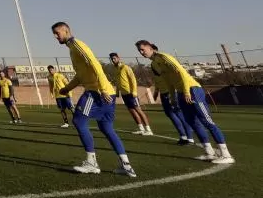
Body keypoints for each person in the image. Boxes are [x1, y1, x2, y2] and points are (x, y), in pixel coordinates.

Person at [52, 22, 136, 177]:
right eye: (54, 34)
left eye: (57, 33)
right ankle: (126, 165)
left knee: (78, 121)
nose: (56, 36)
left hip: (96, 92)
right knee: (106, 128)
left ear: (66, 30)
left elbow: (95, 65)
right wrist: (67, 88)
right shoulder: (72, 49)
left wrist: (103, 88)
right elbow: (81, 74)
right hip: (106, 93)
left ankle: (92, 163)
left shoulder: (76, 45)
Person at [135, 40, 234, 164]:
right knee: (192, 122)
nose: (141, 52)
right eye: (139, 51)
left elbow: (181, 72)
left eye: (143, 49)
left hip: (192, 90)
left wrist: (187, 92)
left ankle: (226, 154)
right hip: (180, 93)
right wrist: (173, 97)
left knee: (207, 121)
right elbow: (168, 81)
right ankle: (209, 152)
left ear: (150, 48)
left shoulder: (164, 57)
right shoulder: (154, 64)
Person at [109, 53, 152, 136]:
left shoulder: (125, 67)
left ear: (118, 58)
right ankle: (141, 129)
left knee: (139, 110)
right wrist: (118, 92)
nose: (113, 60)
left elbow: (133, 80)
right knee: (132, 111)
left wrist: (134, 92)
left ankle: (148, 129)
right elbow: (118, 82)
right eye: (112, 59)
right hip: (124, 94)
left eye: (114, 58)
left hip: (131, 93)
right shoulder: (115, 69)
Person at [151, 65, 196, 145]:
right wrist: (156, 92)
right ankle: (183, 136)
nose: (153, 69)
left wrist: (174, 95)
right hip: (163, 94)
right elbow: (157, 83)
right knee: (170, 114)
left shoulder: (167, 74)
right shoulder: (156, 75)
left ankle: (189, 137)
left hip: (170, 94)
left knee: (178, 114)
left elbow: (173, 83)